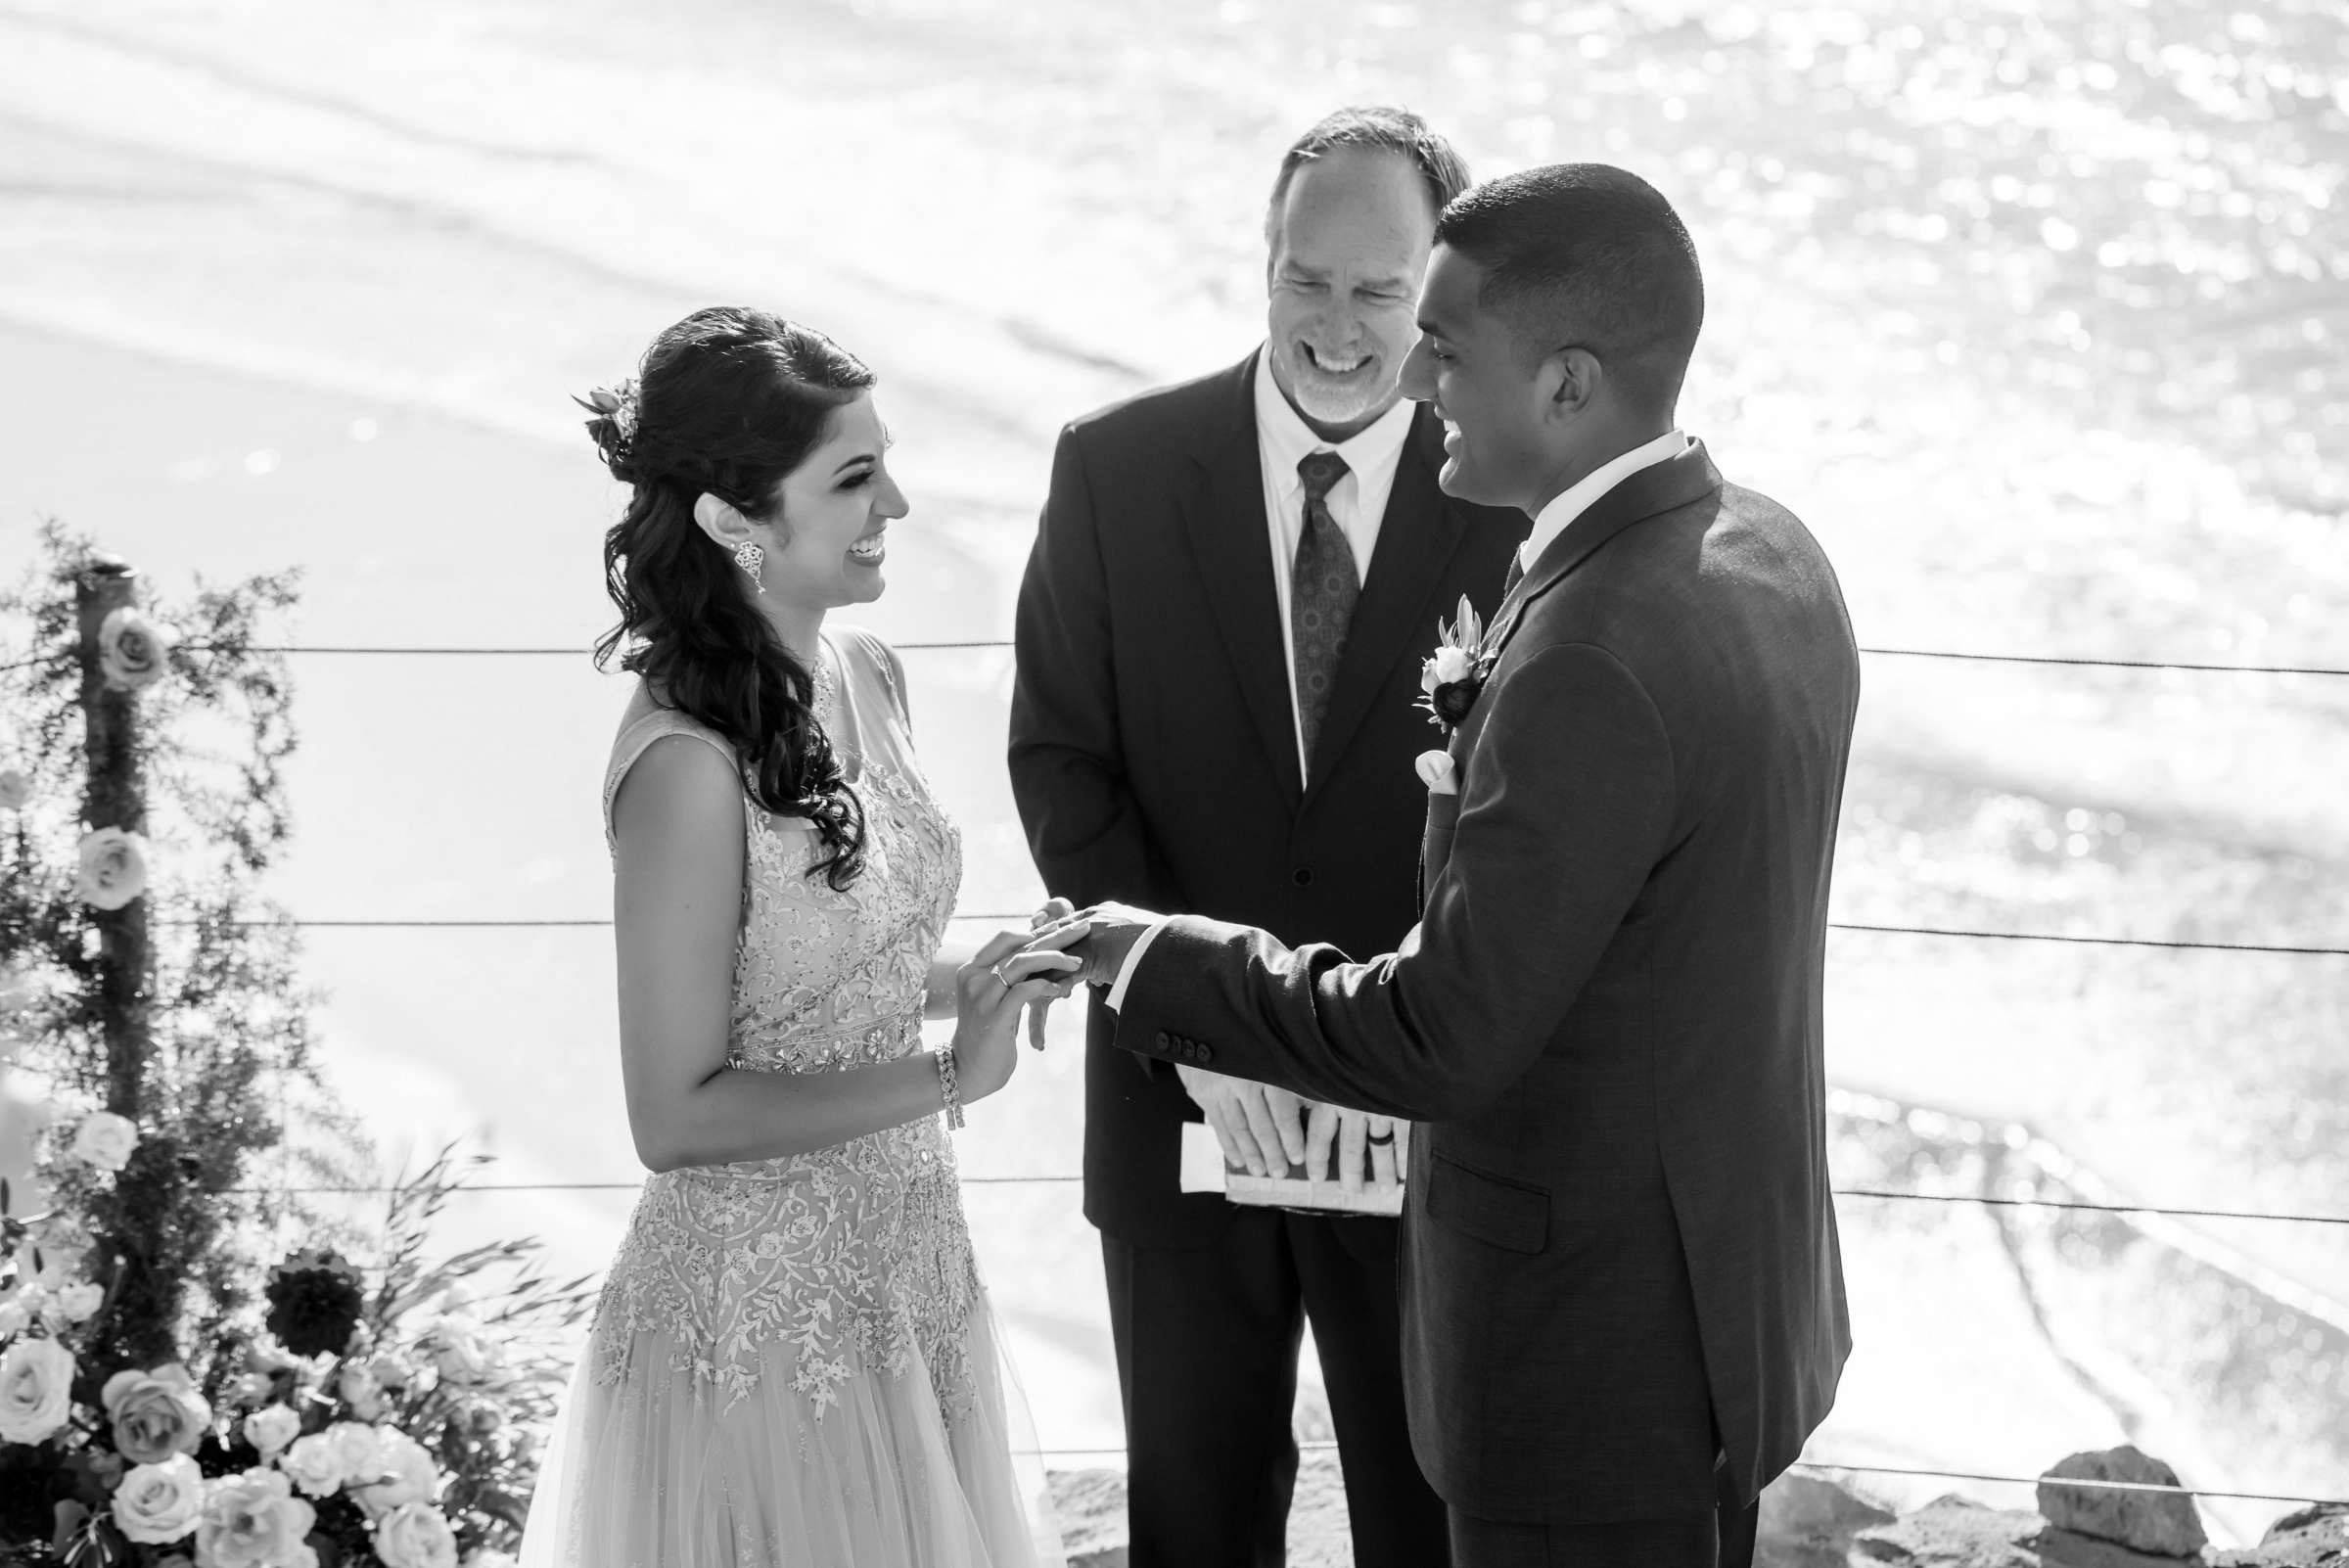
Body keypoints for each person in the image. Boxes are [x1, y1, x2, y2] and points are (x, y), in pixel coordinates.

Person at [1030, 164, 1861, 1568]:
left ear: (1569, 384)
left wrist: (1156, 956)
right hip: (1721, 1312)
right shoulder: (1772, 554)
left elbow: (1445, 1028)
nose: (1413, 376)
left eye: (1445, 343)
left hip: (1585, 1351)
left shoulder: (1591, 652)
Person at [1009, 109, 1524, 1568]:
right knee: (1197, 1513)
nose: (1340, 328)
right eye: (1308, 279)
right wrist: (1204, 1021)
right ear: (1265, 260)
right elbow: (1060, 758)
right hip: (1176, 1101)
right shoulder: (1115, 468)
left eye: (1381, 291)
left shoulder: (1511, 501)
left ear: (1441, 293)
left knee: (1424, 1521)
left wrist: (1371, 1043)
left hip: (1409, 1103)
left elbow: (1526, 815)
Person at [520, 306, 1074, 1568]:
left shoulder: (869, 673)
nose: (903, 504)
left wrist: (989, 978)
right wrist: (951, 1075)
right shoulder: (682, 767)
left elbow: (830, 978)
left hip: (910, 1279)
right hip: (759, 1333)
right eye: (856, 477)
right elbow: (676, 1111)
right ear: (733, 519)